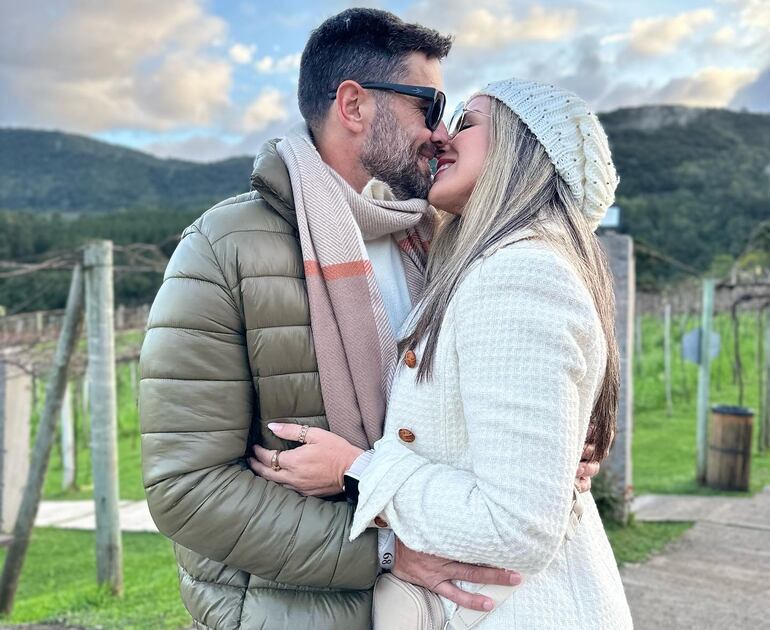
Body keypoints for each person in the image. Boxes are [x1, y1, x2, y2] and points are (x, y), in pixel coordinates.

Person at [140, 8, 600, 630]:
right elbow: (187, 489)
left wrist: (547, 454)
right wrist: (384, 552)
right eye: (431, 107)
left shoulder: (444, 241)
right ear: (354, 105)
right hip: (290, 613)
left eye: (455, 117)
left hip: (434, 611)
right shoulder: (225, 248)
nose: (440, 134)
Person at [250, 78, 634, 629]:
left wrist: (356, 472)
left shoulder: (519, 274)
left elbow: (517, 526)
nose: (442, 137)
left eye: (468, 122)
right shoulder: (488, 263)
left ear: (524, 152)